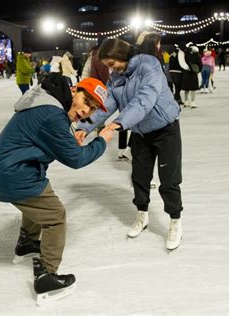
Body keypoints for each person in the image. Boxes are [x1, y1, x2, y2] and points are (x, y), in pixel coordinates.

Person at [0, 75, 114, 303]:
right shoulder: (52, 115)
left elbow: (49, 139)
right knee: (55, 215)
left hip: (5, 168)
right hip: (12, 174)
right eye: (86, 101)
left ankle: (27, 242)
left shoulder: (47, 102)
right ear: (75, 90)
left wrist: (70, 137)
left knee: (40, 195)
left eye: (92, 109)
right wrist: (101, 141)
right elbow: (76, 160)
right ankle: (46, 275)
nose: (86, 111)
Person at [75, 38, 183, 251]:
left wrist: (118, 124)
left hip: (165, 130)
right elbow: (107, 104)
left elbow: (144, 100)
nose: (110, 68)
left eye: (111, 63)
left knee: (169, 180)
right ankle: (142, 215)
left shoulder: (148, 65)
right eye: (107, 65)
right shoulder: (116, 77)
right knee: (139, 177)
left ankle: (175, 221)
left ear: (122, 55)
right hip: (141, 132)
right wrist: (83, 127)